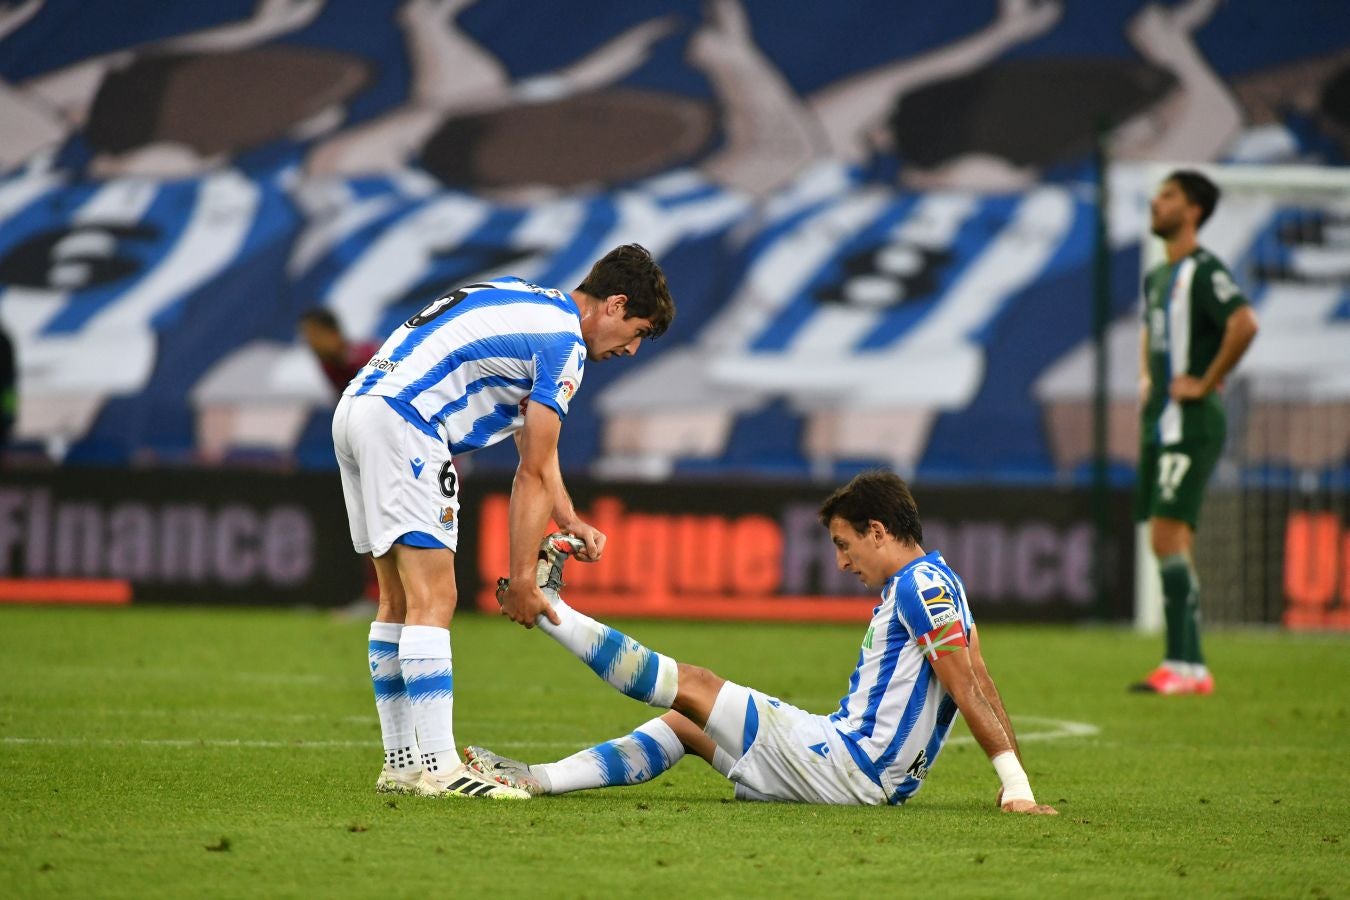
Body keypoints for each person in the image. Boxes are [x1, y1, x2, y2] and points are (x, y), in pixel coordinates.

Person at [469, 471, 1057, 813]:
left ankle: (549, 610)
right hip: (858, 768)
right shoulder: (941, 581)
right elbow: (982, 683)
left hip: (852, 767)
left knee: (694, 686)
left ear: (878, 531)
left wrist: (1016, 787)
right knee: (686, 724)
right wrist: (1017, 785)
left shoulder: (917, 587)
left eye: (844, 543)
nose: (842, 561)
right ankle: (537, 778)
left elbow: (966, 685)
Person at [333, 243, 674, 799]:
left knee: (396, 600)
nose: (632, 349)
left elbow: (533, 450)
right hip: (407, 423)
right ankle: (442, 768)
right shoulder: (566, 345)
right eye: (637, 332)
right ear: (615, 305)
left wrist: (569, 517)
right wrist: (521, 582)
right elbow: (531, 473)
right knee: (434, 599)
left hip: (359, 410)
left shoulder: (527, 299)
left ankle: (402, 765)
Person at [1131, 170, 1259, 696]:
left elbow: (1244, 323)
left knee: (1166, 534)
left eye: (1169, 196)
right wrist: (1146, 375)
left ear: (1193, 211)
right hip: (1160, 420)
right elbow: (1151, 330)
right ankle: (1191, 667)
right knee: (1169, 537)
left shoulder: (1204, 270)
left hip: (1192, 420)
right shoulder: (1159, 277)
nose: (1156, 203)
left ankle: (1182, 665)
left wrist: (1205, 381)